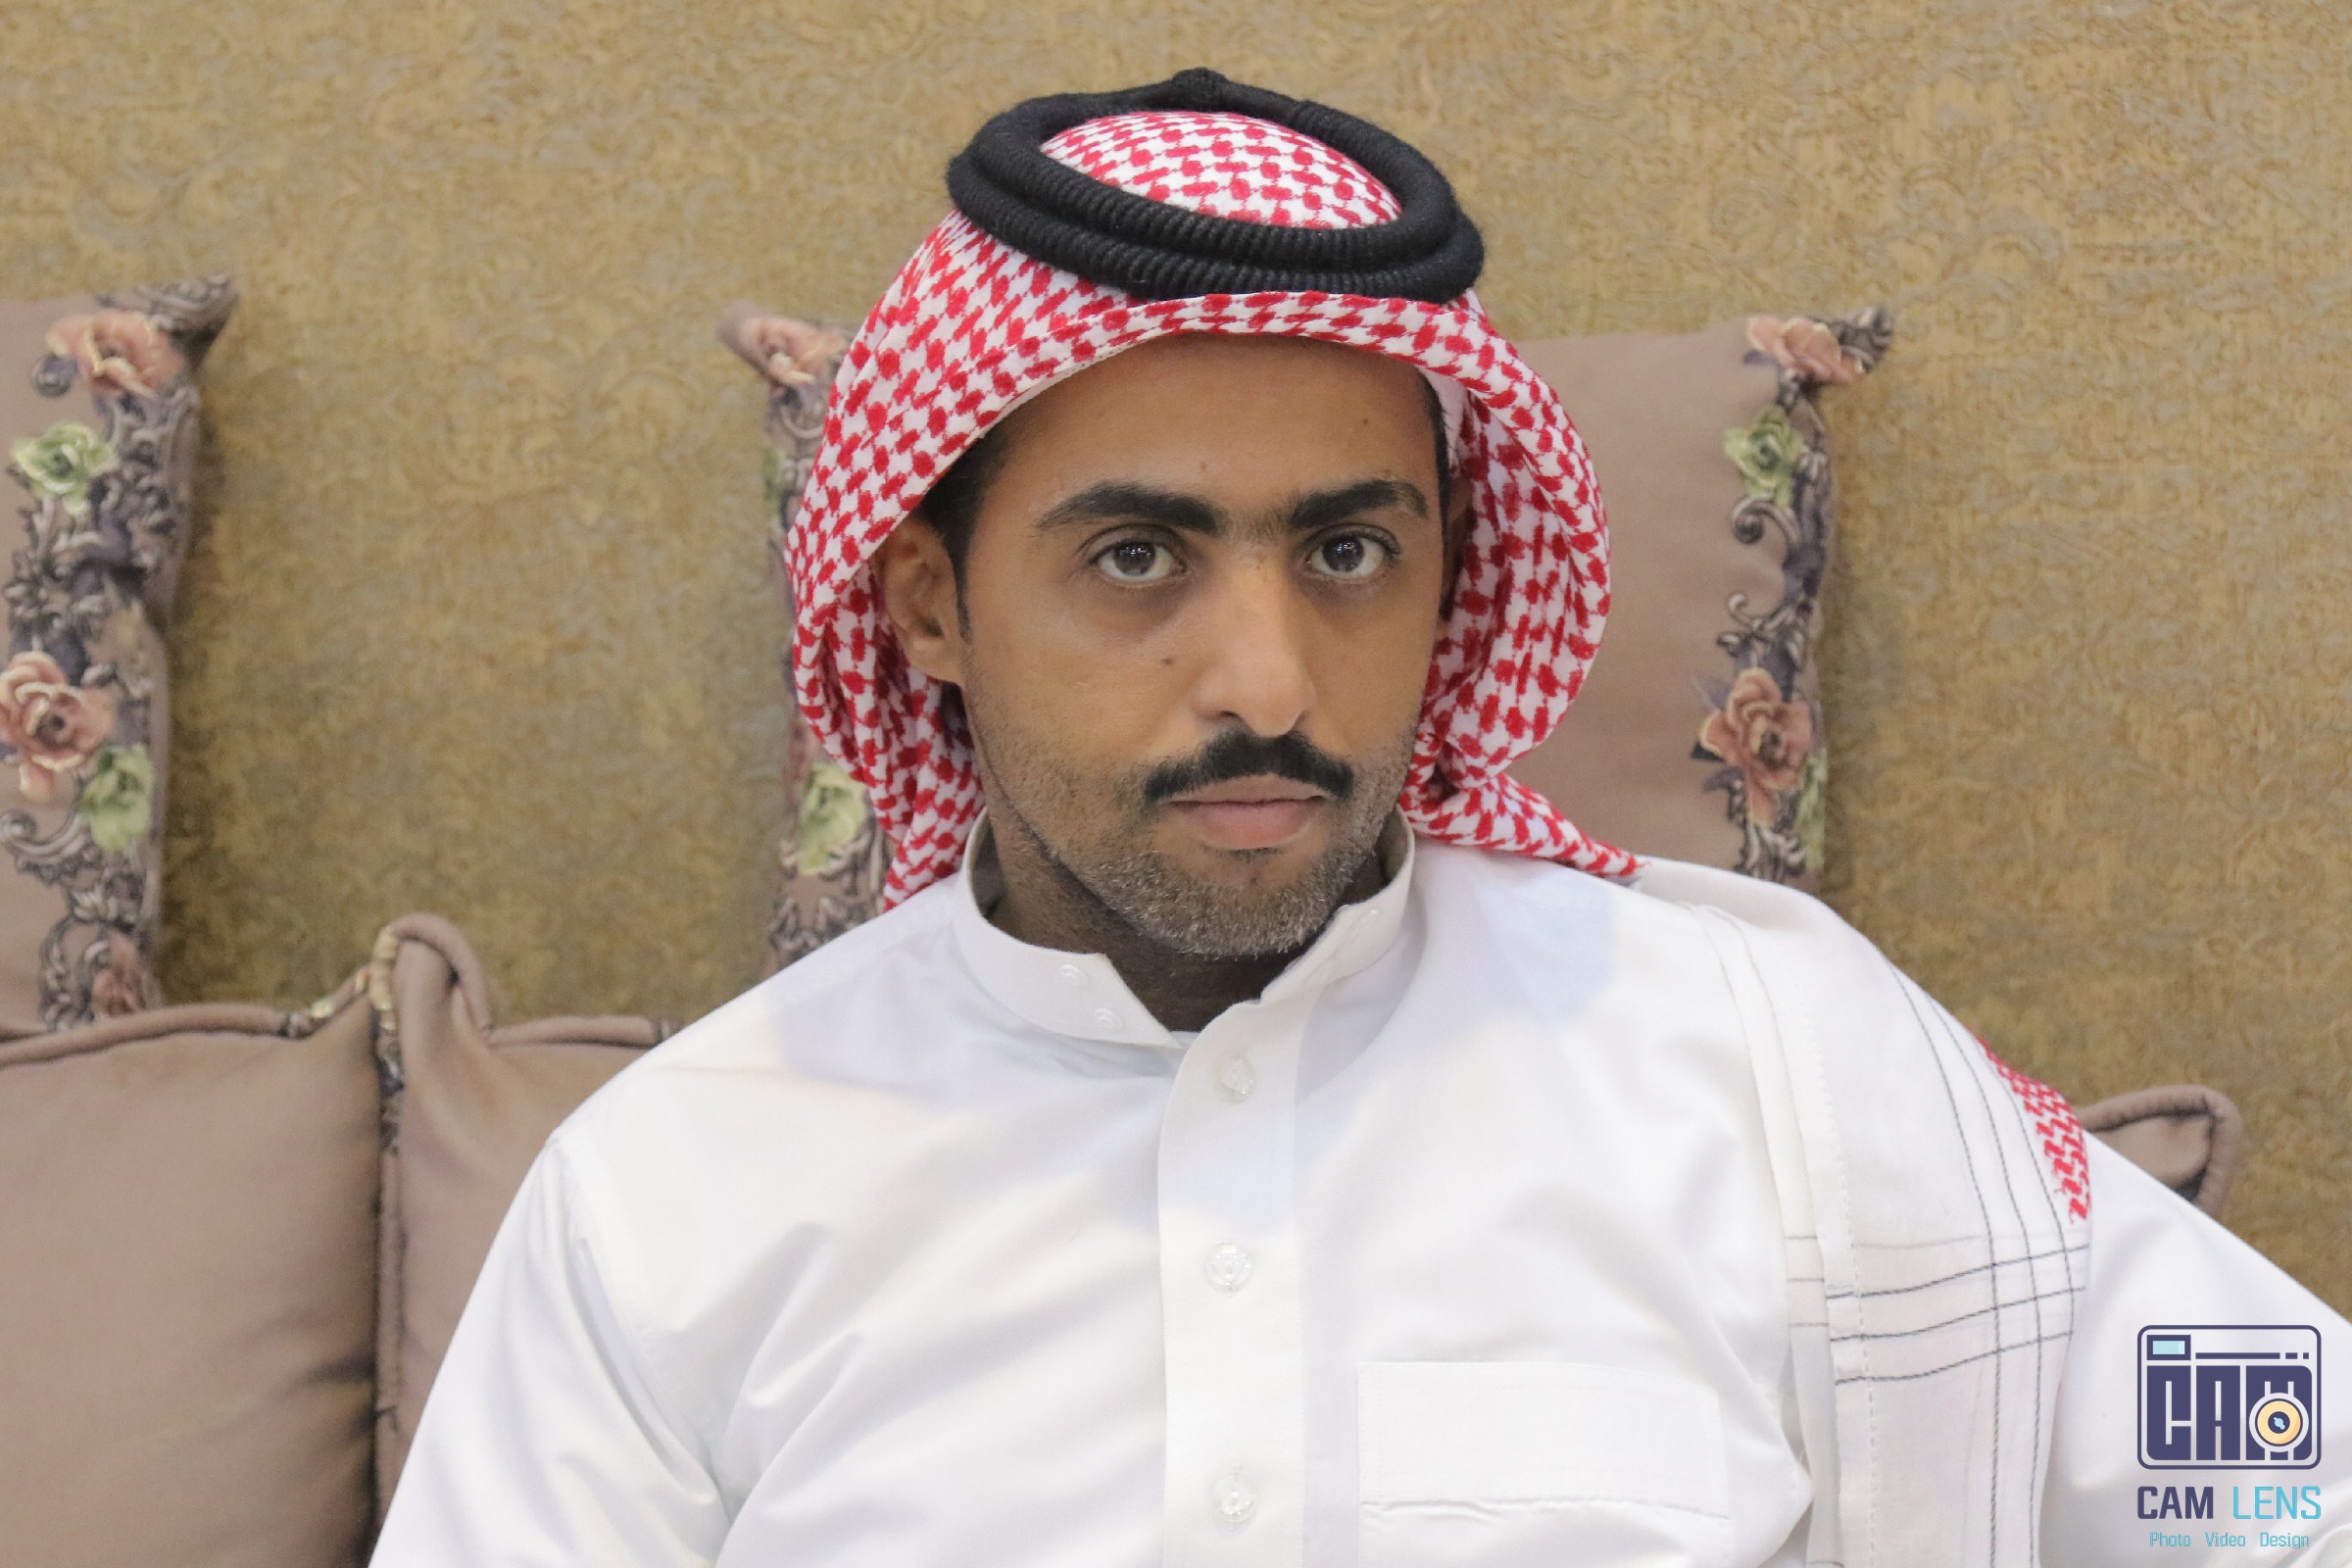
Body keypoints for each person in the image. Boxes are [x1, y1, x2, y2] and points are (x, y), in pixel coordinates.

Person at [373, 71, 2351, 1567]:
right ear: (929, 611)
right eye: (1137, 557)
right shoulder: (677, 1186)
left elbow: (2285, 1474)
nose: (1267, 681)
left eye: (1345, 552)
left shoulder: (1774, 1061)